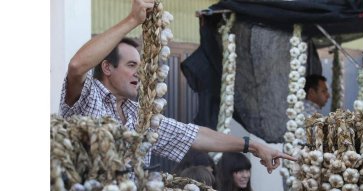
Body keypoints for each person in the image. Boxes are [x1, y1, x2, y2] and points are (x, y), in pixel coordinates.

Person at [59, 0, 296, 174]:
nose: (140, 72)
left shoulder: (139, 116)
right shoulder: (88, 97)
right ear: (107, 68)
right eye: (131, 65)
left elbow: (196, 135)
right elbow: (77, 65)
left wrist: (253, 145)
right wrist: (132, 21)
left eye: (141, 65)